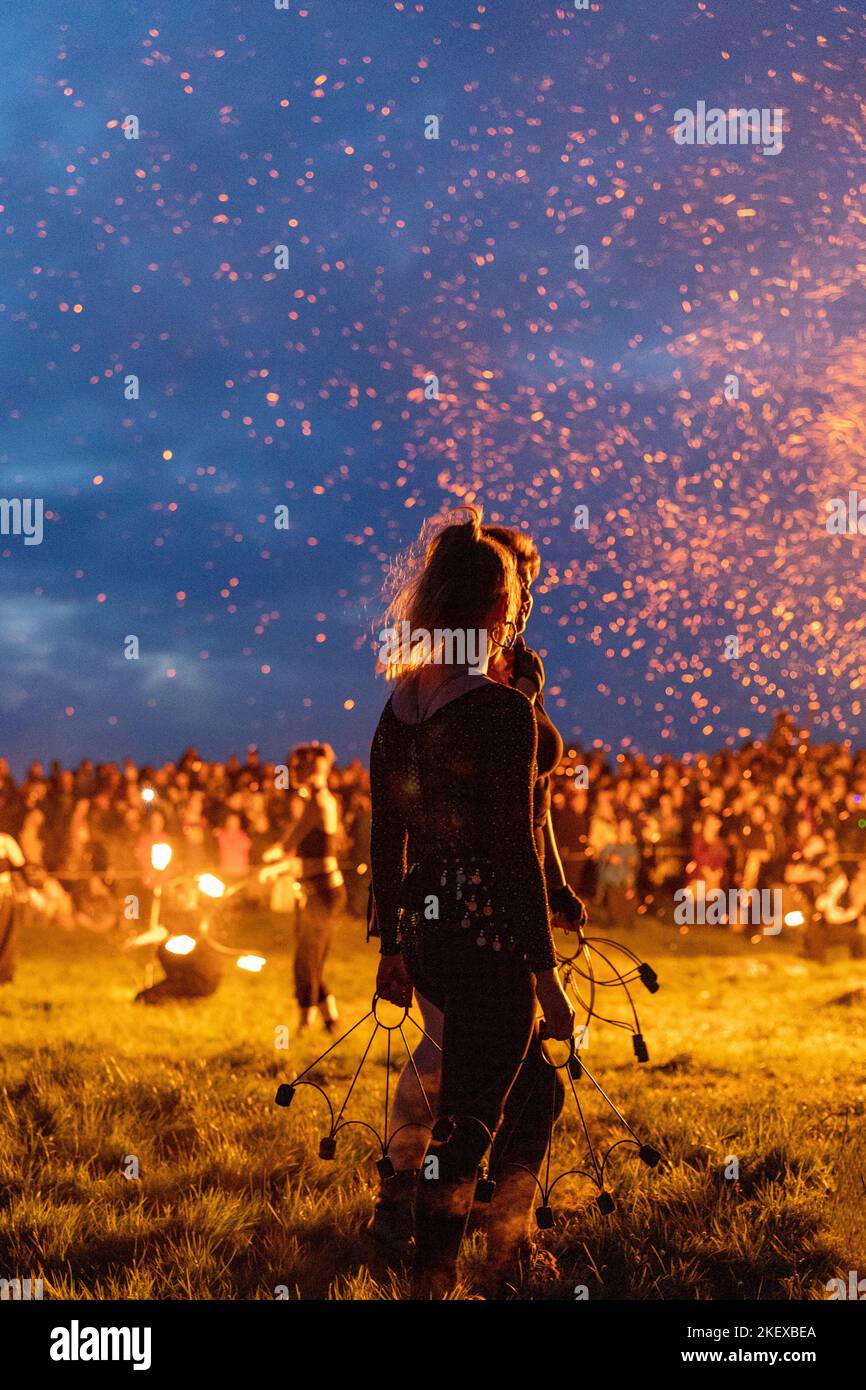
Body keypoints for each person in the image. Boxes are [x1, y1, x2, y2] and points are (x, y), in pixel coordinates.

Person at [370, 507, 574, 1297]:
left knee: (513, 1093)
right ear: (498, 608)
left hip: (426, 929)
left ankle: (490, 1251)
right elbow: (511, 854)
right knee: (467, 1126)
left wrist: (392, 945)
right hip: (487, 934)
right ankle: (435, 1277)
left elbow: (386, 838)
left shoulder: (401, 705)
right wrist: (546, 975)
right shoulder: (499, 710)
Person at [267, 744, 346, 1033]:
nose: (296, 773)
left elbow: (294, 841)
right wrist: (278, 864)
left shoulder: (321, 802)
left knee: (306, 959)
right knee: (311, 958)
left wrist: (276, 858)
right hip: (313, 892)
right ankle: (331, 1019)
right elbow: (300, 850)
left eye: (300, 768)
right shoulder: (316, 801)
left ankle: (304, 1025)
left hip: (325, 894)